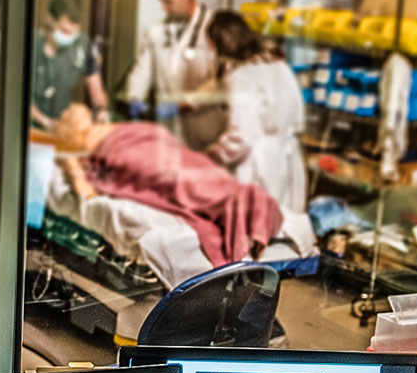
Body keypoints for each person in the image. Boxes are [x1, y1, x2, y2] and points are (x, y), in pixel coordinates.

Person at [54, 103, 283, 267]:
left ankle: (235, 198)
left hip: (144, 142)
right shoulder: (81, 152)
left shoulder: (119, 130)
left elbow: (166, 143)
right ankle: (235, 200)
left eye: (73, 114)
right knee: (178, 180)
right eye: (69, 117)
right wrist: (74, 165)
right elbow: (87, 194)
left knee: (190, 170)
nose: (73, 116)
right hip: (126, 154)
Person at [204, 11, 306, 213]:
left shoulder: (241, 77)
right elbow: (299, 118)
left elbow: (242, 136)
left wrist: (214, 154)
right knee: (287, 229)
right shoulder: (279, 66)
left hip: (262, 166)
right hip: (290, 160)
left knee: (259, 231)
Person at [122, 0, 220, 150]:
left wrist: (185, 103)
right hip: (167, 128)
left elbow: (219, 82)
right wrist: (134, 97)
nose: (164, 8)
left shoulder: (213, 28)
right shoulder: (156, 31)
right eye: (162, 2)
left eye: (169, 2)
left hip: (202, 129)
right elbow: (142, 71)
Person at [30, 0, 107, 130]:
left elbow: (95, 86)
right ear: (50, 20)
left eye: (74, 32)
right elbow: (15, 96)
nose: (70, 37)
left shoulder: (83, 46)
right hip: (30, 124)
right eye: (64, 31)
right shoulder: (31, 45)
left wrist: (102, 111)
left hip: (62, 124)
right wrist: (46, 122)